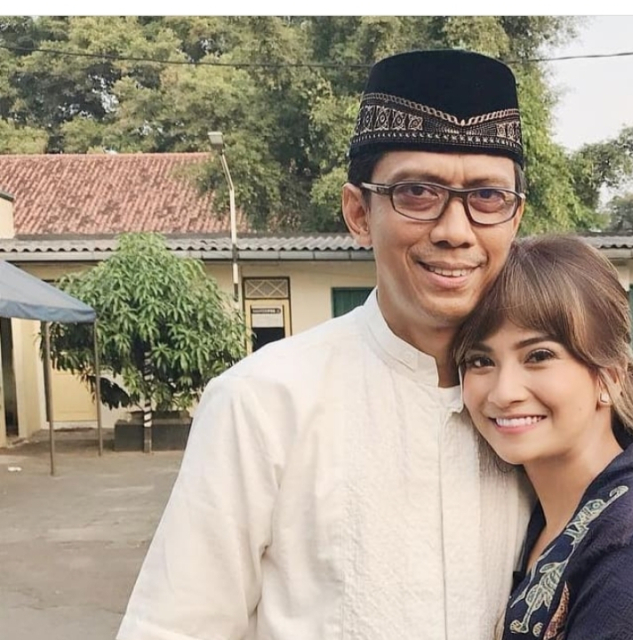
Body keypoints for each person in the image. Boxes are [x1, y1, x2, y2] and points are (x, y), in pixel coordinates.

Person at [117, 49, 532, 640]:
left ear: (515, 219)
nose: (454, 230)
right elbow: (175, 628)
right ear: (359, 213)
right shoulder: (263, 402)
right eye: (417, 192)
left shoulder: (539, 410)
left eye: (488, 197)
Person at [453, 235, 633, 640]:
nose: (504, 393)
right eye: (480, 360)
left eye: (538, 356)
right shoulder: (548, 511)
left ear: (610, 377)